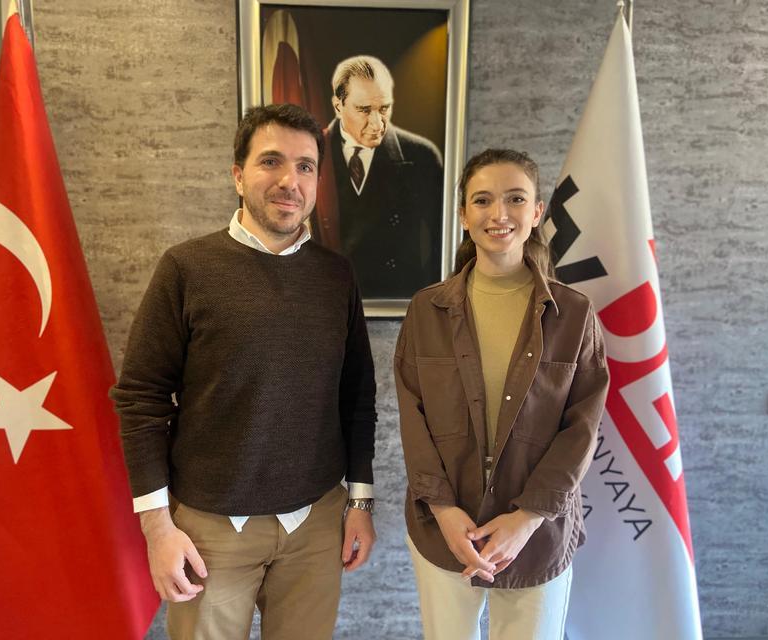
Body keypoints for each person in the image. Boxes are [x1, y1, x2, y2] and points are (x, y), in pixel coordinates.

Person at [111, 104, 377, 640]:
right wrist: (157, 527)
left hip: (315, 524)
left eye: (305, 167)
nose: (289, 181)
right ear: (238, 175)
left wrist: (360, 502)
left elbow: (357, 396)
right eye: (271, 162)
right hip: (210, 528)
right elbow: (141, 399)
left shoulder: (335, 276)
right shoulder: (186, 268)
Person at [394, 149, 610, 639]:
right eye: (482, 200)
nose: (499, 214)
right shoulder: (426, 310)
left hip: (538, 532)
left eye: (515, 199)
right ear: (462, 214)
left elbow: (583, 428)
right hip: (444, 529)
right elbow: (413, 417)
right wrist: (444, 511)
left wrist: (528, 517)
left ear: (537, 212)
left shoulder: (574, 314)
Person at [311, 55, 443, 299]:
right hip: (329, 299)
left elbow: (440, 246)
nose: (377, 123)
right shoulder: (311, 152)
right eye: (364, 110)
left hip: (398, 300)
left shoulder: (422, 156)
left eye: (384, 109)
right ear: (338, 106)